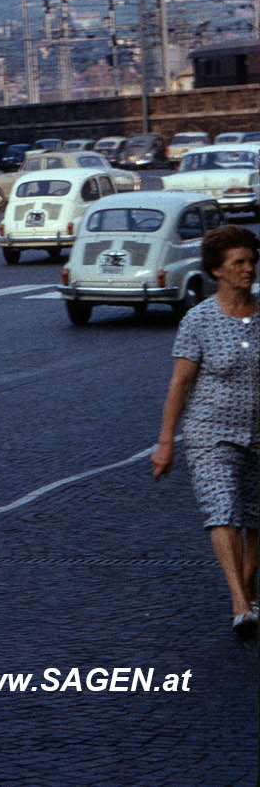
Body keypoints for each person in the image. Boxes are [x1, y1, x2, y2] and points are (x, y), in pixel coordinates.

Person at [152, 224, 260, 637]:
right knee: (224, 510)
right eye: (239, 262)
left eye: (252, 261)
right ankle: (239, 602)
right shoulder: (198, 320)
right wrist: (166, 443)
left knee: (255, 518)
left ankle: (248, 588)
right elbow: (179, 384)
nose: (248, 269)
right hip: (210, 433)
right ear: (217, 270)